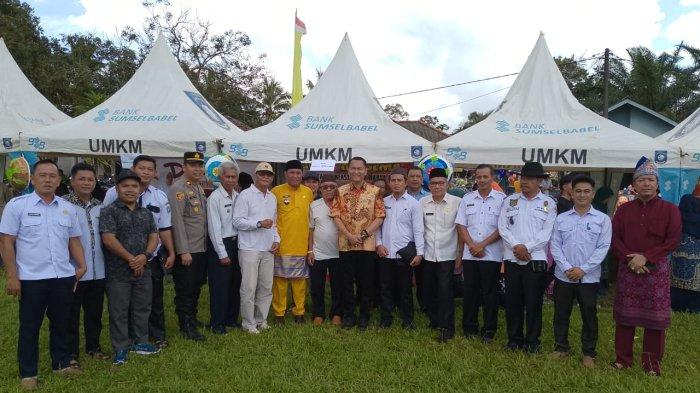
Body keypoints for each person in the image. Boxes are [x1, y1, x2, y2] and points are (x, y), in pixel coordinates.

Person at [0, 159, 87, 390]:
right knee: (30, 326)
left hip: (62, 277)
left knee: (61, 323)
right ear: (32, 179)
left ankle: (61, 363)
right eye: (42, 175)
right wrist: (12, 276)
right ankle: (28, 373)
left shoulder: (67, 208)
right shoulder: (17, 206)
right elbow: (7, 242)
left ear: (59, 180)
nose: (48, 180)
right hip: (31, 279)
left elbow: (74, 240)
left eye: (52, 176)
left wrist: (82, 265)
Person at [611, 157, 681, 376]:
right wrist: (630, 259)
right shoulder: (623, 210)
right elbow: (614, 239)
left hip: (656, 270)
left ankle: (652, 364)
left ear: (657, 184)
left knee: (655, 320)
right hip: (628, 267)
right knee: (625, 316)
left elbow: (673, 239)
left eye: (651, 180)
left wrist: (647, 257)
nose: (647, 184)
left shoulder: (670, 210)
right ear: (634, 185)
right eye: (642, 180)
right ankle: (623, 360)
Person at [104, 155, 175, 349]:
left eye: (149, 169)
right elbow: (108, 233)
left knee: (151, 300)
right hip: (120, 262)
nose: (145, 172)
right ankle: (124, 343)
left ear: (154, 173)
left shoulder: (158, 197)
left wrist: (169, 252)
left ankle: (152, 337)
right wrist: (131, 258)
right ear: (133, 169)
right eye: (141, 168)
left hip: (150, 257)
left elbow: (162, 229)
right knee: (121, 304)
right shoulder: (112, 196)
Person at [549, 175, 612, 368]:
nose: (582, 195)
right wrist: (568, 268)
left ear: (592, 194)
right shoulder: (561, 219)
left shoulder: (602, 220)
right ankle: (561, 348)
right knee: (561, 313)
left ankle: (589, 353)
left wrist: (583, 270)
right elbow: (555, 245)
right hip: (564, 275)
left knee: (589, 314)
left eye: (586, 191)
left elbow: (603, 247)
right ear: (571, 192)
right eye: (578, 191)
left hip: (589, 277)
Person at [100, 170, 160, 365]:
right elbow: (108, 239)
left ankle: (141, 342)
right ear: (117, 188)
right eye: (125, 186)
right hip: (118, 271)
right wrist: (131, 259)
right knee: (119, 310)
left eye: (134, 186)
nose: (130, 190)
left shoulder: (146, 213)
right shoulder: (109, 211)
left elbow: (154, 236)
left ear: (139, 189)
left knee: (142, 308)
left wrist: (145, 256)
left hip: (144, 269)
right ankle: (121, 348)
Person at [498, 161, 556, 353]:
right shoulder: (510, 201)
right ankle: (514, 340)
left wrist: (527, 247)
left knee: (533, 302)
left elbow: (547, 233)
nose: (525, 182)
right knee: (513, 301)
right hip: (513, 257)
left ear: (540, 181)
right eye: (523, 177)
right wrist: (516, 246)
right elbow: (502, 227)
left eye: (530, 178)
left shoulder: (548, 203)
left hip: (535, 259)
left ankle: (532, 342)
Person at [331, 156, 385, 330]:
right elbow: (335, 215)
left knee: (366, 282)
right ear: (348, 170)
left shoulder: (375, 191)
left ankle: (364, 316)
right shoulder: (340, 191)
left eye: (359, 168)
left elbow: (380, 216)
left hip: (367, 245)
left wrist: (362, 234)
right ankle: (349, 315)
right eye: (353, 168)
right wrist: (348, 234)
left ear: (365, 170)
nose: (356, 171)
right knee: (346, 282)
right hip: (345, 245)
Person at [64, 163, 109, 368]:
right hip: (73, 271)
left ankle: (94, 347)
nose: (86, 183)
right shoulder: (62, 205)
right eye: (81, 179)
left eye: (90, 179)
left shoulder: (100, 206)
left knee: (94, 313)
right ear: (72, 181)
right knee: (70, 315)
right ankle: (71, 353)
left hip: (98, 271)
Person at [456, 164, 506, 343]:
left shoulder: (502, 200)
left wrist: (482, 245)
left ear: (493, 178)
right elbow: (461, 225)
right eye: (479, 177)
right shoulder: (467, 198)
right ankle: (469, 328)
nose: (482, 180)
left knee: (490, 294)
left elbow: (502, 228)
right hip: (470, 255)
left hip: (491, 255)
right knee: (470, 292)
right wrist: (471, 245)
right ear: (475, 178)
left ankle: (489, 330)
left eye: (486, 177)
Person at [233, 162, 280, 334]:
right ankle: (248, 322)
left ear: (272, 177)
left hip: (267, 247)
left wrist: (276, 239)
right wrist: (258, 223)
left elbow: (274, 223)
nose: (265, 177)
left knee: (266, 286)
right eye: (262, 174)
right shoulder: (245, 195)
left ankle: (261, 319)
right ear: (255, 175)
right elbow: (237, 221)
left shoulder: (272, 197)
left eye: (268, 175)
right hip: (249, 247)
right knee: (249, 287)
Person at [376, 168, 424, 330]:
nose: (396, 183)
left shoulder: (414, 204)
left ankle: (408, 321)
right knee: (385, 288)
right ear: (389, 183)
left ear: (405, 182)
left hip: (405, 254)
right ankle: (385, 319)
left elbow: (418, 230)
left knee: (405, 290)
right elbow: (378, 228)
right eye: (393, 180)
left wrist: (419, 253)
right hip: (386, 252)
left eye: (399, 180)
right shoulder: (383, 202)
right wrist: (379, 244)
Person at [168, 152, 208, 341]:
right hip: (188, 250)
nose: (198, 169)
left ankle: (192, 318)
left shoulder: (198, 188)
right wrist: (183, 251)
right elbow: (177, 222)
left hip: (200, 248)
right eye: (193, 165)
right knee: (186, 289)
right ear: (184, 167)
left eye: (200, 165)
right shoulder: (178, 189)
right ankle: (186, 325)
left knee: (196, 286)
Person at [271, 160, 314, 324]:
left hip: (301, 245)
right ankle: (279, 314)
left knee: (300, 282)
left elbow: (311, 222)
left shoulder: (308, 192)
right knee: (280, 282)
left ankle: (299, 312)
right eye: (292, 173)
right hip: (281, 245)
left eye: (298, 173)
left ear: (302, 174)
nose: (295, 176)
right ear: (285, 174)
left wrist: (310, 248)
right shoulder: (276, 192)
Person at [421, 168, 461, 342]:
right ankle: (435, 320)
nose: (437, 186)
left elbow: (461, 230)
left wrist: (460, 253)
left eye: (441, 183)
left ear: (447, 184)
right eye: (434, 183)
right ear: (429, 185)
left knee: (445, 292)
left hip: (448, 254)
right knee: (428, 291)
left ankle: (447, 328)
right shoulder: (422, 202)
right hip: (428, 254)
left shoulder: (458, 203)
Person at [206, 161, 242, 334]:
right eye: (227, 176)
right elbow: (214, 228)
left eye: (233, 177)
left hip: (237, 244)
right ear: (220, 177)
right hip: (221, 244)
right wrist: (222, 253)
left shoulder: (238, 195)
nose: (230, 180)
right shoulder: (215, 198)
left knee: (235, 283)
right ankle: (217, 323)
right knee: (220, 286)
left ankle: (231, 319)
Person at [308, 174, 342, 326]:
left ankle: (336, 313)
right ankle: (318, 313)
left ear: (337, 189)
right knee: (317, 286)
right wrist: (310, 251)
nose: (328, 190)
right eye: (325, 187)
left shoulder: (343, 204)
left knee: (338, 285)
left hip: (340, 252)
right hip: (318, 252)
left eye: (332, 187)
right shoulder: (314, 206)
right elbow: (310, 229)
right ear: (320, 189)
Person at [671, 185, 700, 313]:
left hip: (677, 255)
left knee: (676, 281)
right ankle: (693, 308)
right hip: (696, 256)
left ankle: (676, 306)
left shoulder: (676, 217)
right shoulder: (698, 219)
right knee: (694, 281)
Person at [406, 166, 428, 310]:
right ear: (406, 179)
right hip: (405, 244)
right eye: (412, 176)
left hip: (424, 243)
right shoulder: (399, 195)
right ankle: (403, 304)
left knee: (423, 278)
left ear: (422, 179)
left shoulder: (429, 197)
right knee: (403, 278)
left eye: (418, 176)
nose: (415, 179)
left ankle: (424, 305)